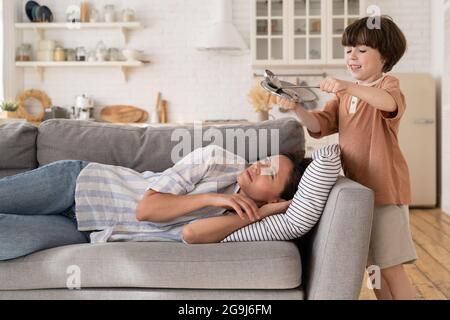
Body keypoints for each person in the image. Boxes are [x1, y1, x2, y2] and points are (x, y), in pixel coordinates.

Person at [278, 16, 417, 300]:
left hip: (385, 192)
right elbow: (319, 125)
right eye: (348, 50)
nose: (352, 56)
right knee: (374, 267)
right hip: (360, 194)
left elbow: (389, 105)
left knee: (391, 268)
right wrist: (296, 108)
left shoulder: (387, 85)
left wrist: (347, 86)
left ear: (385, 56)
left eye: (362, 50)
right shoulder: (343, 98)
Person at [0, 145, 303, 261]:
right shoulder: (216, 160)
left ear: (277, 198)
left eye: (270, 173)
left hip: (88, 231)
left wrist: (259, 213)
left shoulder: (238, 218)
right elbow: (147, 210)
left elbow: (191, 235)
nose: (259, 166)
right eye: (264, 161)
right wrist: (214, 196)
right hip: (79, 184)